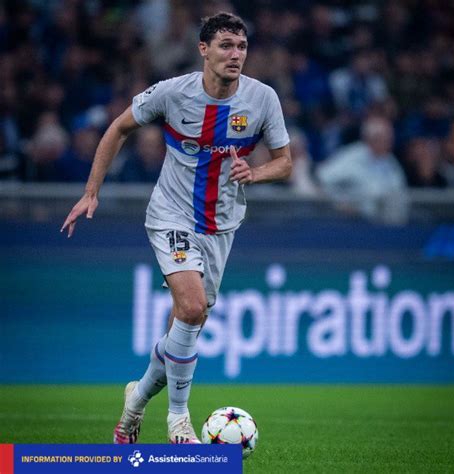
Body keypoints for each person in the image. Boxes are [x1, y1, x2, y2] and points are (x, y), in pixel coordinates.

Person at [61, 12, 291, 444]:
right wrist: (91, 192)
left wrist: (256, 173)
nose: (236, 54)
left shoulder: (262, 99)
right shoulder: (172, 93)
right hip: (172, 215)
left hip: (221, 226)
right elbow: (119, 128)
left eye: (241, 46)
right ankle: (179, 420)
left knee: (185, 327)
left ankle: (134, 403)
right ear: (204, 49)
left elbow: (285, 162)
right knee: (191, 306)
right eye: (226, 45)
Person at [316, 115, 408, 224]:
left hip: (385, 223)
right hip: (354, 223)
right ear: (370, 139)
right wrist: (338, 203)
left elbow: (400, 190)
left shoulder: (390, 161)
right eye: (384, 138)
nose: (389, 143)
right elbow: (320, 179)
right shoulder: (352, 156)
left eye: (390, 138)